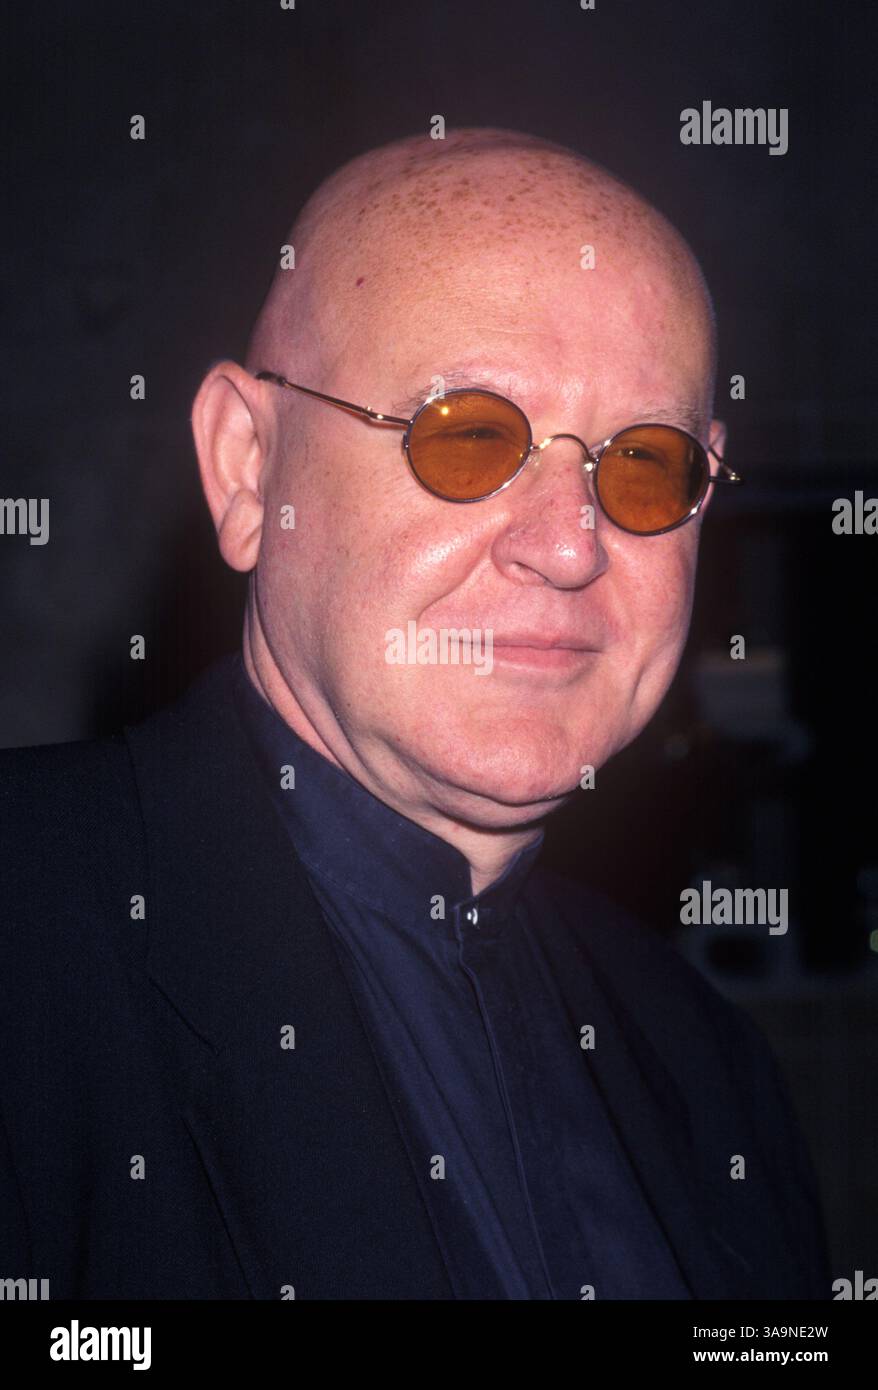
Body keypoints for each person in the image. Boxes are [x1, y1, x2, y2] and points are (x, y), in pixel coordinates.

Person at [0, 127, 829, 1299]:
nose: (568, 546)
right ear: (248, 469)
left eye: (643, 464)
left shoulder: (707, 1067)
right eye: (471, 436)